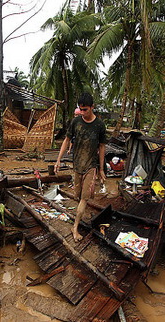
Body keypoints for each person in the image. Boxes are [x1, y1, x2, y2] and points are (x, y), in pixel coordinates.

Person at [55, 93, 106, 241]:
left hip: (91, 166)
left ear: (92, 108)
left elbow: (102, 147)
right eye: (81, 109)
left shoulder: (99, 125)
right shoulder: (76, 122)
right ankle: (80, 216)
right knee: (78, 197)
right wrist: (58, 160)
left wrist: (101, 169)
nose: (82, 113)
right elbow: (66, 140)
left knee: (84, 198)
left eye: (85, 110)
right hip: (77, 165)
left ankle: (75, 227)